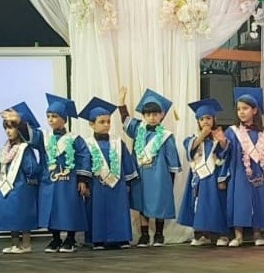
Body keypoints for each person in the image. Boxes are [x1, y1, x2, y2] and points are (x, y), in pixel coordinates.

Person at [28, 94, 91, 254]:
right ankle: (55, 238)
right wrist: (18, 122)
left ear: (64, 119)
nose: (50, 119)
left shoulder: (75, 139)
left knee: (69, 209)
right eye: (48, 116)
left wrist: (82, 180)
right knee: (51, 209)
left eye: (54, 116)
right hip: (49, 181)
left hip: (69, 181)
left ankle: (70, 238)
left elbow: (84, 157)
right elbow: (30, 136)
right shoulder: (44, 137)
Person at [122, 88, 182, 247]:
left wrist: (170, 181)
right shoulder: (138, 130)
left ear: (162, 115)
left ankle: (159, 234)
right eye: (148, 114)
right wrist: (121, 103)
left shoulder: (166, 136)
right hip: (141, 175)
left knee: (159, 203)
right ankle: (144, 235)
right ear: (143, 115)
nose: (152, 117)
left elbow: (172, 159)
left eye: (155, 114)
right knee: (142, 204)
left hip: (159, 176)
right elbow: (125, 120)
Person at [78, 97, 138, 249]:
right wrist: (84, 182)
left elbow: (126, 161)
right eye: (102, 122)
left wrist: (128, 183)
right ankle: (97, 239)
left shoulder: (117, 142)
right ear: (92, 124)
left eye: (108, 122)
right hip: (97, 184)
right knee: (97, 210)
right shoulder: (87, 143)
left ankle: (122, 238)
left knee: (119, 210)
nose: (106, 125)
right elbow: (84, 163)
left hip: (118, 183)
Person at [220, 87, 264, 247]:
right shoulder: (233, 131)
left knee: (259, 200)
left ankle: (258, 234)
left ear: (255, 110)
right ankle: (238, 235)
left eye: (245, 108)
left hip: (259, 173)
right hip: (240, 172)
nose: (241, 112)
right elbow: (226, 152)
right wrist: (222, 143)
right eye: (238, 109)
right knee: (240, 201)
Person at [178, 98, 231, 246]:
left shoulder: (219, 136)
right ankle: (201, 234)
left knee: (217, 204)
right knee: (199, 204)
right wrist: (202, 135)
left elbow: (225, 154)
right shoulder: (194, 138)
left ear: (214, 119)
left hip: (215, 176)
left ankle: (222, 234)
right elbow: (189, 151)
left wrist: (222, 142)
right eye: (202, 119)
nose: (205, 121)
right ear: (198, 122)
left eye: (208, 118)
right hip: (199, 178)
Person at [0, 103, 41, 254]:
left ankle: (26, 244)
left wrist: (29, 176)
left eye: (12, 127)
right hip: (9, 187)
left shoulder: (25, 148)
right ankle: (14, 244)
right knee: (12, 217)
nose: (8, 131)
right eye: (6, 128)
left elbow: (31, 168)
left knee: (23, 217)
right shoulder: (5, 147)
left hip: (22, 187)